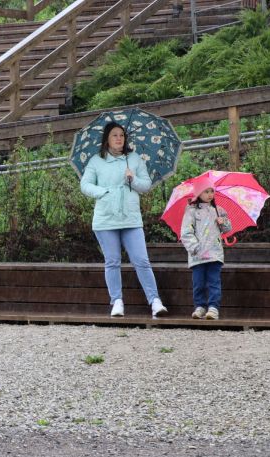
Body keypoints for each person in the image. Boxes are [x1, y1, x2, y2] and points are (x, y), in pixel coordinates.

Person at [80, 121, 168, 318]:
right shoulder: (96, 160)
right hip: (105, 218)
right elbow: (85, 185)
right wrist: (104, 192)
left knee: (142, 260)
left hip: (131, 217)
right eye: (114, 135)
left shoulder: (134, 159)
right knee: (112, 261)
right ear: (107, 139)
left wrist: (133, 179)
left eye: (121, 135)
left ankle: (155, 301)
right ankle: (117, 301)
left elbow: (145, 185)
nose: (119, 138)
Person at [180, 176, 232, 320]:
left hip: (214, 253)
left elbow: (228, 228)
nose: (210, 194)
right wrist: (195, 247)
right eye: (206, 191)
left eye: (212, 191)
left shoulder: (218, 210)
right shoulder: (191, 211)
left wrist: (223, 222)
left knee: (214, 281)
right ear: (198, 194)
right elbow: (185, 232)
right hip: (197, 255)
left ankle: (213, 308)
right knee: (198, 283)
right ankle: (200, 306)